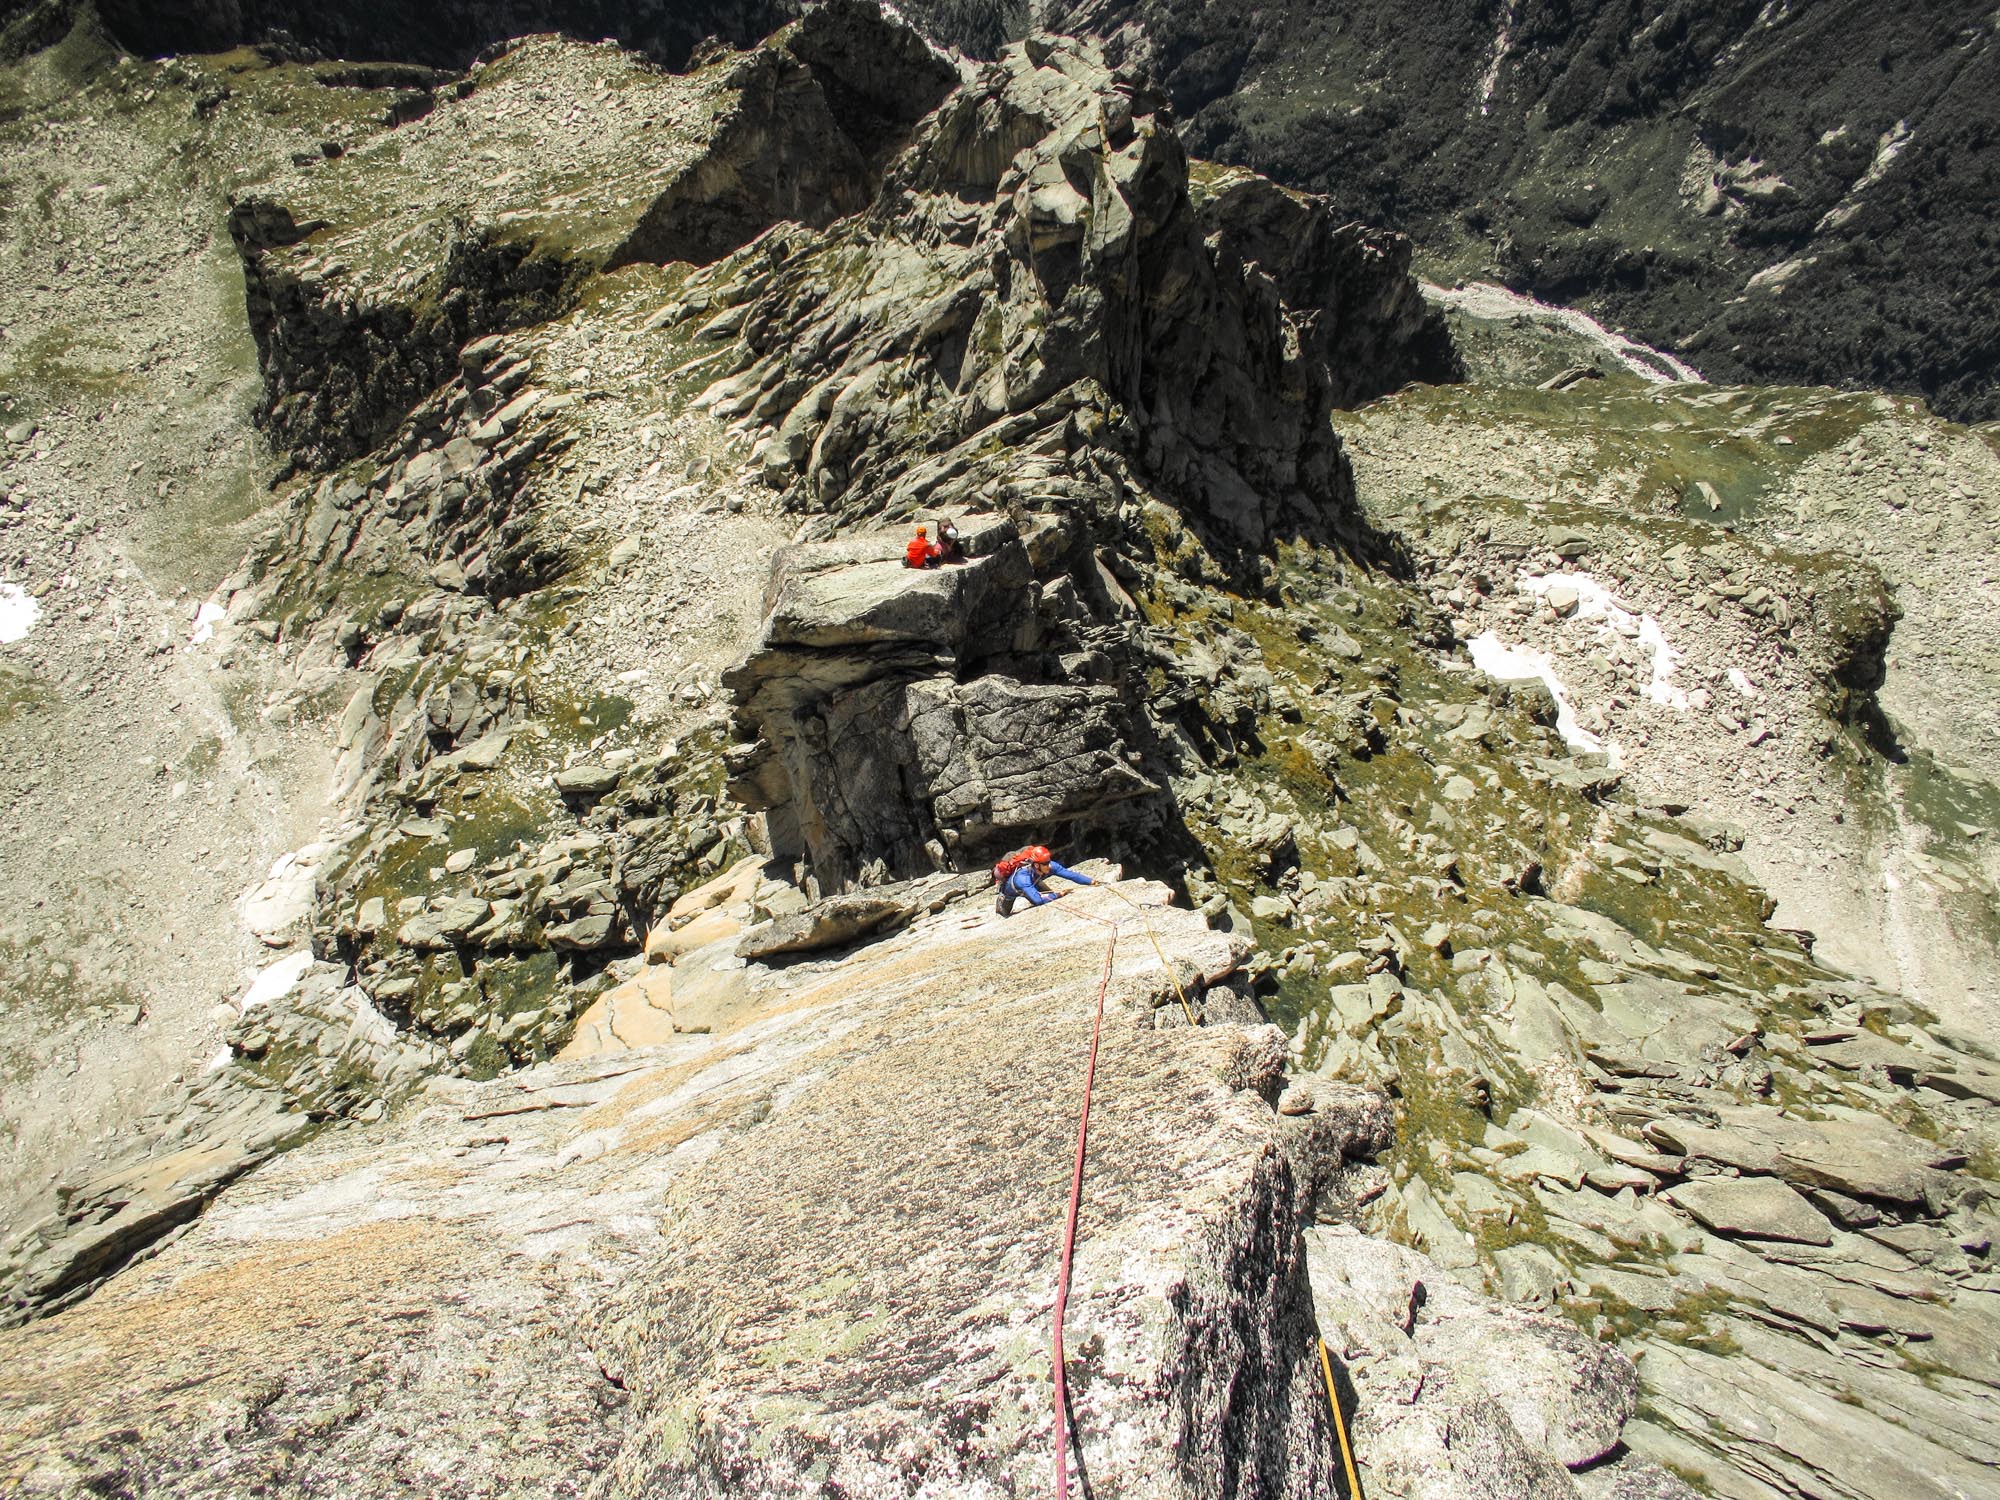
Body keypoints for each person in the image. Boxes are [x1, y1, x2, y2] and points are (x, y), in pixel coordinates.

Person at [994, 845, 1094, 916]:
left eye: (1049, 861)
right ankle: (1001, 898)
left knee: (1048, 895)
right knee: (1003, 914)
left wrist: (1091, 881)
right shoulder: (1022, 878)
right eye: (1046, 863)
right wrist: (1058, 894)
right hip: (1011, 893)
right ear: (1037, 865)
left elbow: (1070, 875)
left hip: (1034, 882)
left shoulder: (1045, 865)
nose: (1049, 865)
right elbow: (1038, 900)